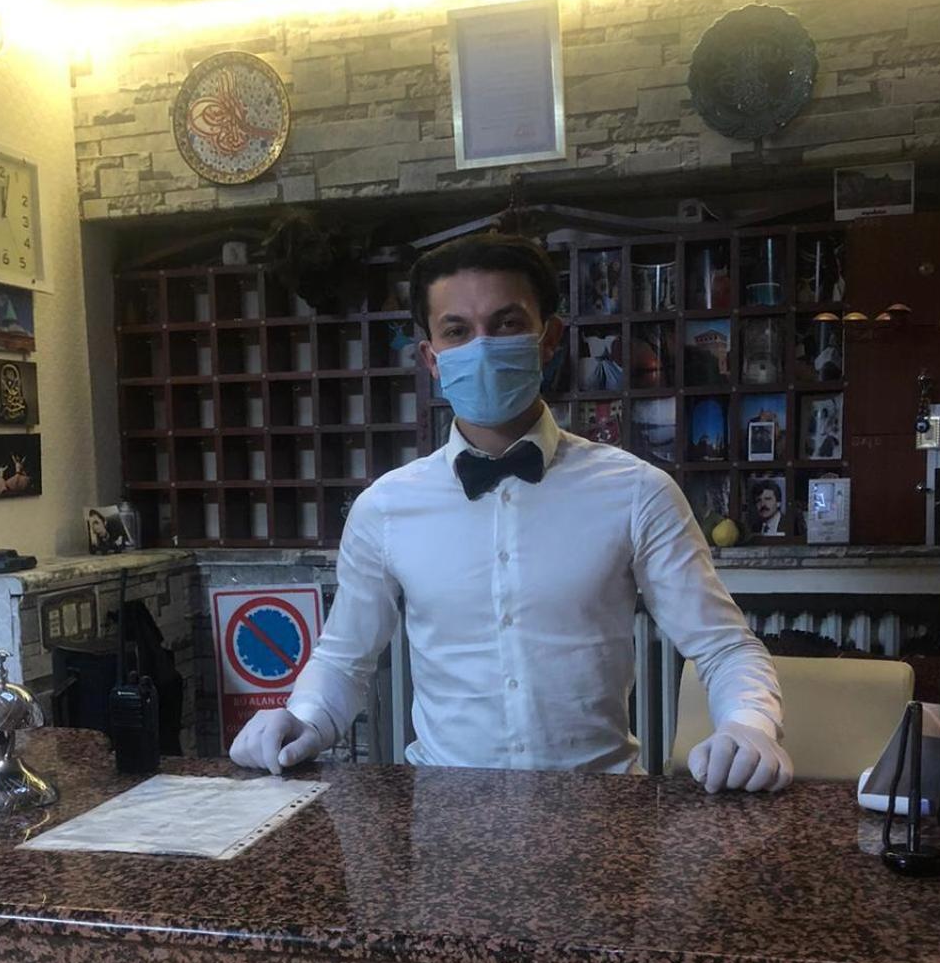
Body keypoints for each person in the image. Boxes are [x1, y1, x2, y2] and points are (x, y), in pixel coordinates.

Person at [231, 234, 791, 793]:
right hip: (447, 810)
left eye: (506, 324)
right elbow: (344, 659)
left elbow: (724, 647)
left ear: (549, 340)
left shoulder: (638, 492)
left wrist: (748, 725)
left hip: (602, 809)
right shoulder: (384, 508)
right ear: (431, 358)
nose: (481, 347)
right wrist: (301, 717)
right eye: (457, 331)